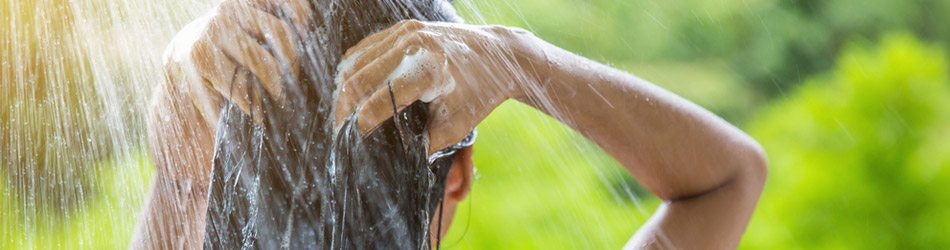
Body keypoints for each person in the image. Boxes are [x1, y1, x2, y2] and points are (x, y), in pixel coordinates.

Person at [131, 0, 768, 249]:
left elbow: (184, 177)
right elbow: (729, 176)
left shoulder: (193, 177)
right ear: (457, 175)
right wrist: (518, 58)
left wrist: (186, 62)